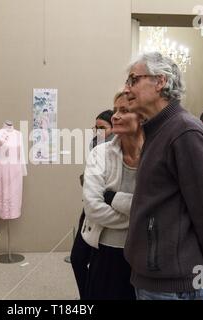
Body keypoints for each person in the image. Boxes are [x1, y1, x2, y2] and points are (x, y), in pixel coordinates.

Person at [123, 52, 203, 300]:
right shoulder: (158, 129)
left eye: (133, 80)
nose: (126, 88)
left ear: (160, 81)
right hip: (156, 277)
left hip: (172, 284)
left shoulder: (184, 130)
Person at [81, 92, 142, 300]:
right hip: (105, 251)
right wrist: (138, 217)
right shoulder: (100, 153)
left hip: (143, 254)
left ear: (142, 116)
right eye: (115, 110)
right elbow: (92, 208)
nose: (115, 116)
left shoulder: (156, 155)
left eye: (124, 110)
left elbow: (160, 207)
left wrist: (114, 198)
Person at [71, 108, 114, 300]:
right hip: (91, 211)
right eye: (95, 127)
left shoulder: (120, 149)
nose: (97, 131)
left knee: (101, 269)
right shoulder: (94, 145)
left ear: (114, 128)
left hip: (109, 215)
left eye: (102, 127)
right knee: (77, 259)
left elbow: (111, 188)